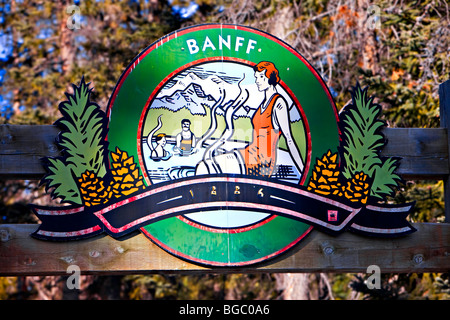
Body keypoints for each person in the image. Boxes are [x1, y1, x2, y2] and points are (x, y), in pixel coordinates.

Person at [195, 61, 304, 177]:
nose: (257, 81)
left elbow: (289, 139)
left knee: (203, 167)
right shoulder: (263, 103)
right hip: (249, 154)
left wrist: (303, 170)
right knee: (206, 164)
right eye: (256, 77)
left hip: (261, 163)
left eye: (261, 77)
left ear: (270, 78)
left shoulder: (278, 103)